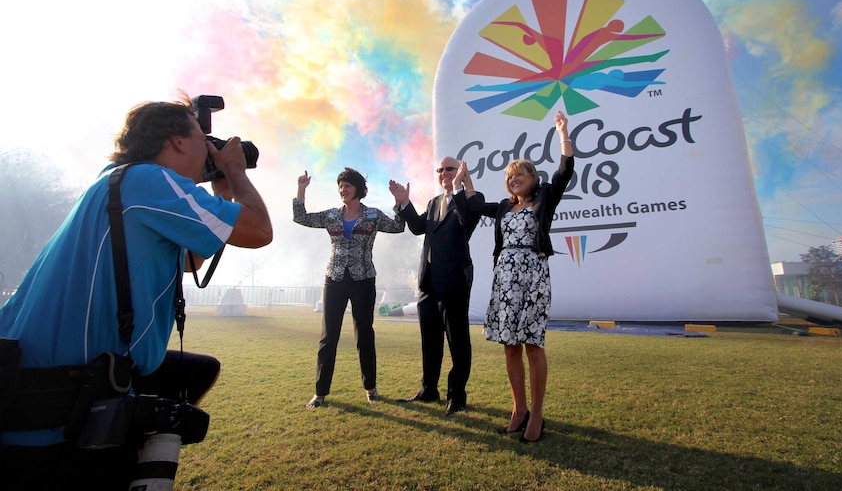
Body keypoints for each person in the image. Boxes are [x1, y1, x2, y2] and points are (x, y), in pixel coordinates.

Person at [0, 93, 273, 489]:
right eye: (202, 138)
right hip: (59, 406)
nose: (209, 150)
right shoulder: (148, 181)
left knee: (195, 370)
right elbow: (260, 231)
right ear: (177, 141)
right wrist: (236, 170)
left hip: (33, 384)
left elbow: (190, 263)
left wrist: (222, 195)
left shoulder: (116, 180)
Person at [481, 110, 573, 443]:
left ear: (533, 178)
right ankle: (517, 409)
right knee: (510, 347)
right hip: (505, 279)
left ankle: (537, 413)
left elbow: (564, 172)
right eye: (510, 176)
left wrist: (563, 133)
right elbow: (475, 205)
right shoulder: (505, 208)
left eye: (520, 174)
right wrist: (464, 182)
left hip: (532, 275)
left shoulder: (545, 198)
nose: (514, 178)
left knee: (533, 344)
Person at [295, 167, 405, 409]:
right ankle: (320, 393)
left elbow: (398, 226)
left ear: (358, 190)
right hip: (334, 279)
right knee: (328, 337)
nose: (343, 190)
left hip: (363, 279)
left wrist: (399, 202)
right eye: (341, 186)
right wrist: (301, 190)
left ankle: (371, 389)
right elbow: (301, 217)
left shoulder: (373, 216)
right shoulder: (331, 215)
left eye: (347, 186)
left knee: (364, 335)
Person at [390, 159, 484, 415]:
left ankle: (457, 396)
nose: (444, 173)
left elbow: (467, 221)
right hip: (428, 283)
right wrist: (404, 203)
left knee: (458, 341)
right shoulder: (433, 203)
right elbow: (419, 227)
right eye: (440, 170)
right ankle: (428, 389)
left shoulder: (470, 199)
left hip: (454, 281)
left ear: (461, 172)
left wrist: (458, 189)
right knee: (430, 341)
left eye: (449, 169)